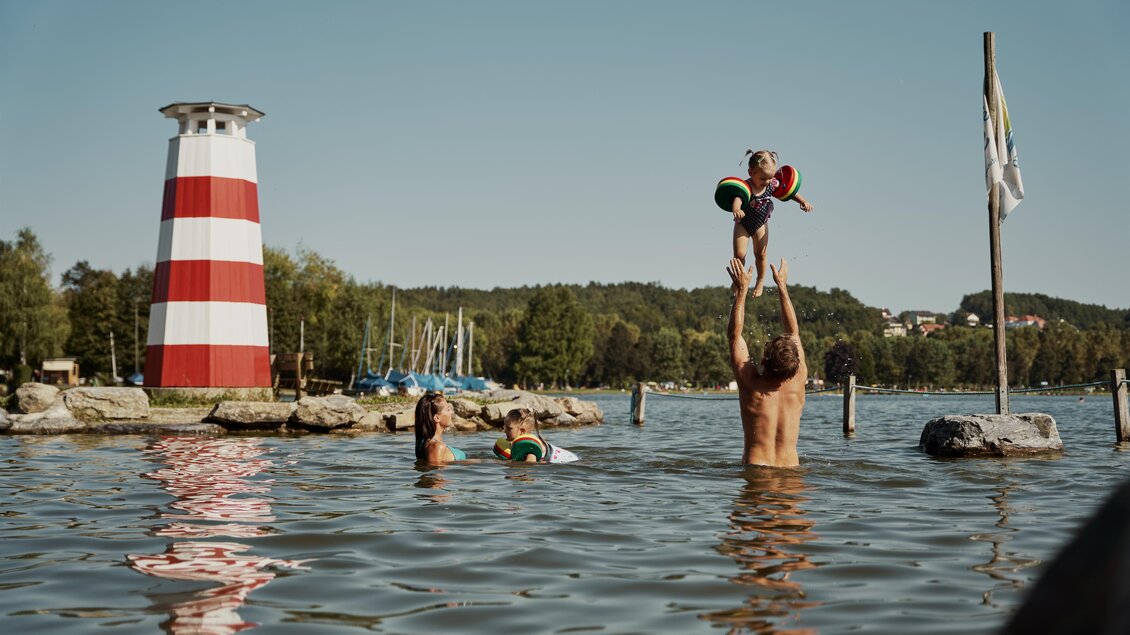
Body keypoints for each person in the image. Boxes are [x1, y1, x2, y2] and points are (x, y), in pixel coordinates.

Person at [726, 257, 807, 467]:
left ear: (764, 360)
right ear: (795, 364)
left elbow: (735, 336)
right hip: (791, 472)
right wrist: (782, 287)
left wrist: (742, 291)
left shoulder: (751, 384)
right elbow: (793, 332)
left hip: (757, 470)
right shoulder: (798, 382)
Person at [728, 150, 814, 297]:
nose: (767, 181)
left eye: (770, 177)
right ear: (750, 172)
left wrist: (803, 201)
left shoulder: (771, 184)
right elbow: (738, 199)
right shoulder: (745, 186)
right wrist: (736, 209)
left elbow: (789, 192)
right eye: (762, 178)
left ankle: (760, 280)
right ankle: (738, 280)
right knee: (739, 254)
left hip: (760, 223)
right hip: (742, 223)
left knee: (760, 254)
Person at [496, 407, 579, 463]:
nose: (504, 430)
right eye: (504, 426)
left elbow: (530, 465)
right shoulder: (522, 443)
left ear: (522, 431)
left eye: (509, 428)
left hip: (570, 461)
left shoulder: (529, 447)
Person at [414, 393, 467, 464]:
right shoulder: (436, 447)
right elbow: (435, 473)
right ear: (437, 417)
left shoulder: (423, 441)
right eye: (448, 409)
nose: (451, 413)